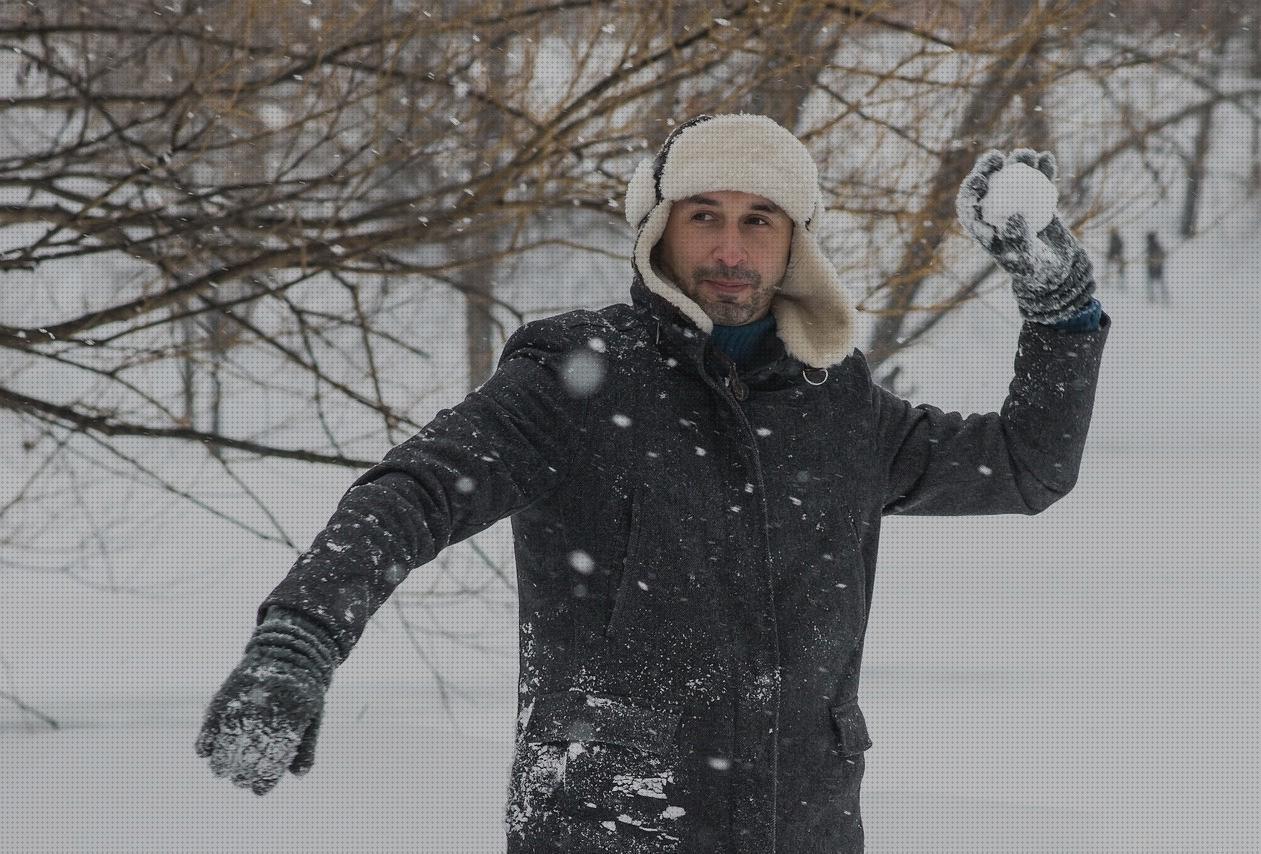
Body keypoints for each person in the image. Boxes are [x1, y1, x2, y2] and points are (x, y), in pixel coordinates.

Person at [196, 113, 1110, 853]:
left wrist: (1059, 301)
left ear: (795, 242)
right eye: (702, 214)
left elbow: (1028, 466)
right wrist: (298, 640)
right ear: (658, 226)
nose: (730, 248)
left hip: (807, 830)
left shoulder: (839, 406)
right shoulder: (578, 376)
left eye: (760, 219)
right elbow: (414, 491)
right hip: (614, 824)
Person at [1146, 230, 1170, 305]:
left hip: (1157, 267)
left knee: (1159, 282)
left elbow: (1162, 254)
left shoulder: (1154, 245)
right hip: (1152, 267)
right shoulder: (1151, 245)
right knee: (1152, 282)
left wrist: (1156, 260)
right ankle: (1152, 297)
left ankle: (1164, 298)